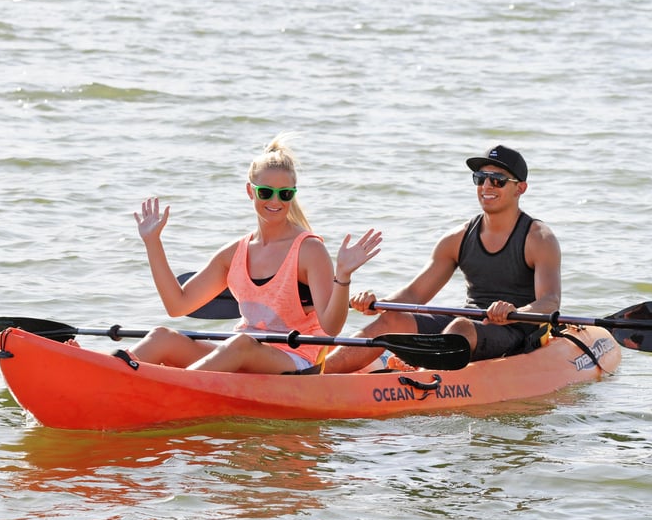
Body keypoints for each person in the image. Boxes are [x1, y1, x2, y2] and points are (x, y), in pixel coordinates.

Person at [122, 134, 382, 374]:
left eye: (285, 194)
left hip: (296, 362)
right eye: (266, 192)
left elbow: (331, 328)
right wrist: (152, 243)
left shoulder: (309, 250)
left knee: (240, 344)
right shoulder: (234, 253)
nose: (276, 201)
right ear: (251, 191)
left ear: (293, 195)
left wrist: (343, 276)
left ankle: (172, 389)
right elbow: (177, 305)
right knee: (161, 337)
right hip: (240, 352)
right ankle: (109, 373)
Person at [322, 144, 560, 374]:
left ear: (520, 188)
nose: (486, 185)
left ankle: (420, 379)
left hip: (514, 329)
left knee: (459, 328)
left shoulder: (539, 238)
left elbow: (550, 301)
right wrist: (378, 304)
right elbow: (415, 295)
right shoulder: (456, 238)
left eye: (497, 180)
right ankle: (317, 374)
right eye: (480, 178)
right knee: (393, 319)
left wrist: (514, 311)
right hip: (471, 324)